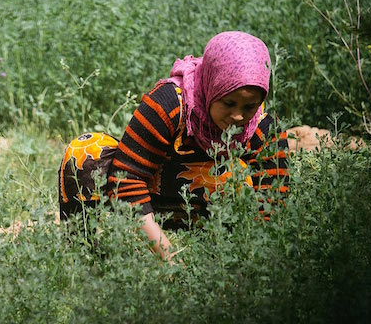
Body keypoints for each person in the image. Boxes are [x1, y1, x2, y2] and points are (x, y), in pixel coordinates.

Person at [58, 31, 289, 260]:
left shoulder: (265, 128)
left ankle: (222, 256)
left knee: (240, 176)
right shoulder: (170, 103)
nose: (238, 116)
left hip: (213, 217)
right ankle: (81, 257)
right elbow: (126, 178)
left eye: (249, 107)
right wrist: (168, 255)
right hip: (151, 201)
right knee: (84, 152)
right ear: (211, 85)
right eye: (228, 102)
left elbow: (273, 207)